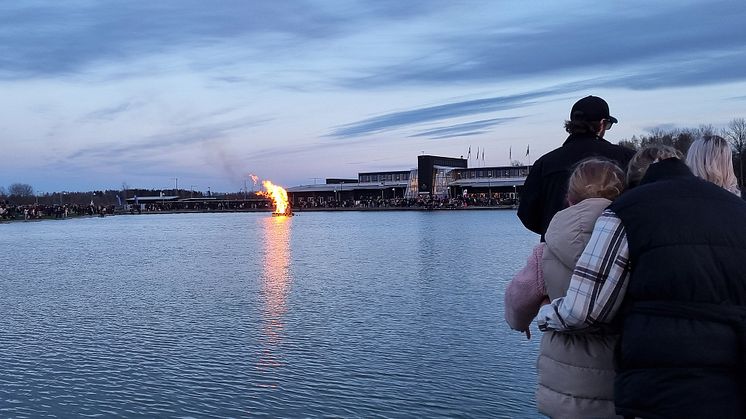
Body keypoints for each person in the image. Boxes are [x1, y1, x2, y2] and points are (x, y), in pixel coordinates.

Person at [536, 144, 746, 418]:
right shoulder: (737, 209)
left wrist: (544, 314)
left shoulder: (625, 211)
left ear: (632, 182)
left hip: (658, 384)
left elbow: (584, 311)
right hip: (732, 382)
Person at [505, 158, 625, 418]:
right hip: (623, 378)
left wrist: (520, 321)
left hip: (563, 384)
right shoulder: (634, 242)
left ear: (569, 199)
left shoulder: (546, 251)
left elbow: (518, 298)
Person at [518, 95, 635, 240]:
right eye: (608, 125)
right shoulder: (627, 159)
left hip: (555, 249)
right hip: (613, 249)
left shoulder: (545, 163)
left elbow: (526, 213)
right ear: (602, 124)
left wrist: (551, 230)